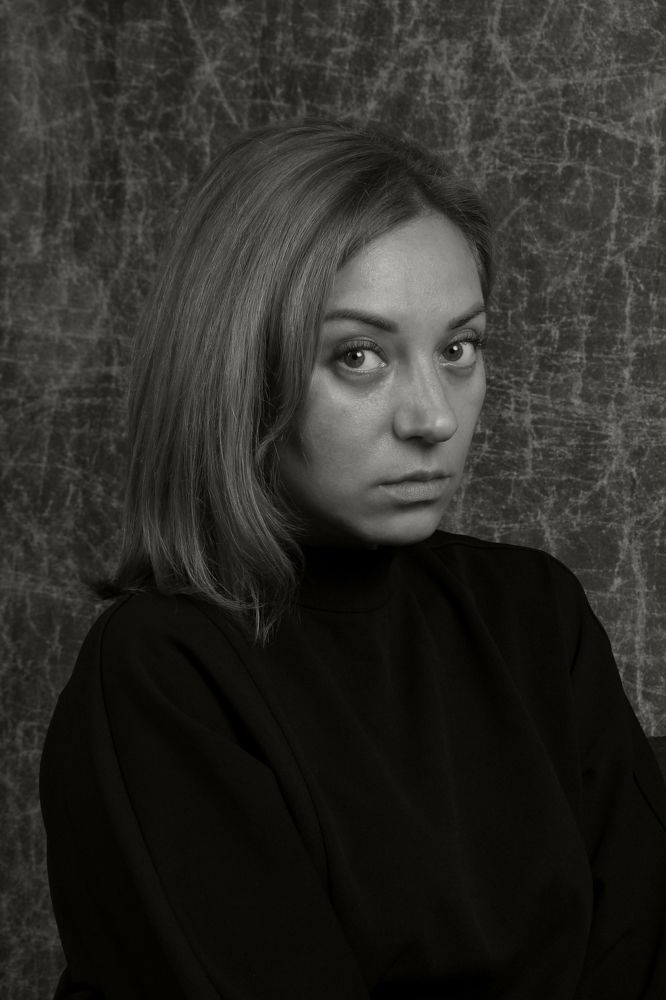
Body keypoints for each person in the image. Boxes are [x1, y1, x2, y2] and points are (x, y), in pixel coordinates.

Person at [40, 119, 666, 1000]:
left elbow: (642, 951)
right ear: (239, 371)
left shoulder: (536, 613)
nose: (433, 417)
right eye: (360, 356)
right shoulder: (164, 672)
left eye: (459, 348)